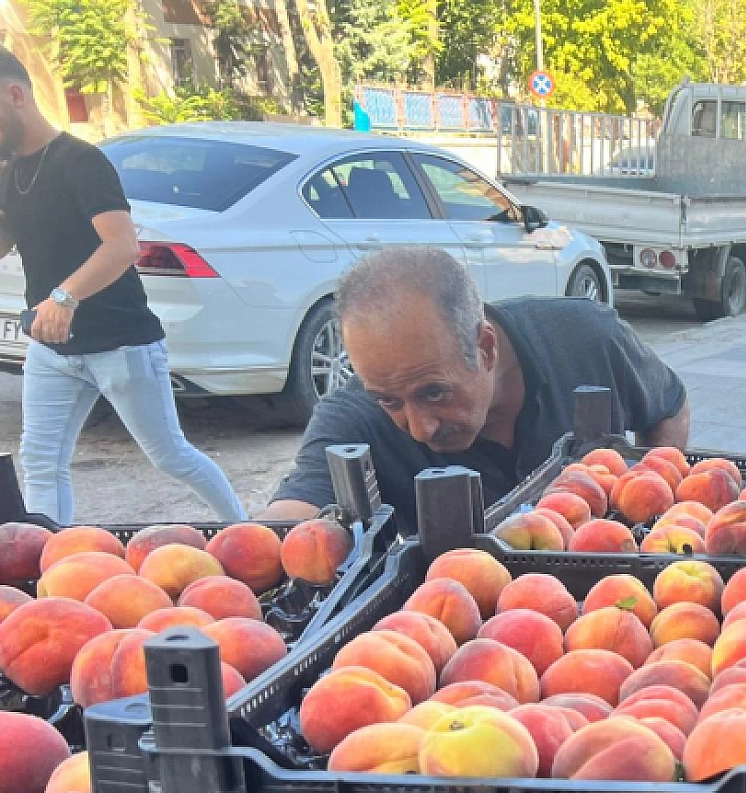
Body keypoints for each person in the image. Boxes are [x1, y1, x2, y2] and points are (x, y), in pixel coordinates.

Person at [267, 247, 688, 533]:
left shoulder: (587, 340)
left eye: (434, 393)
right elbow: (294, 513)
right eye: (390, 401)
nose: (419, 428)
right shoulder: (355, 415)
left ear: (485, 347)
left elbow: (669, 406)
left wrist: (651, 499)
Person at [0, 49, 244, 525]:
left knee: (169, 455)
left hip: (121, 343)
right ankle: (55, 567)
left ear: (14, 96)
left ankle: (250, 531)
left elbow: (122, 246)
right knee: (41, 462)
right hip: (52, 347)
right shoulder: (11, 172)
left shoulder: (81, 162)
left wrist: (64, 297)